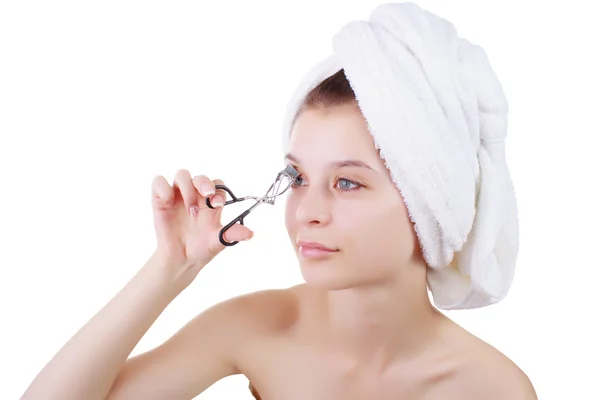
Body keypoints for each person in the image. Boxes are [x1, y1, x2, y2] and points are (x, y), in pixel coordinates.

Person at [21, 6, 537, 400]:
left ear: (430, 206)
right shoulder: (259, 326)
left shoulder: (491, 387)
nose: (307, 211)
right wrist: (169, 269)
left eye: (348, 183)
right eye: (296, 176)